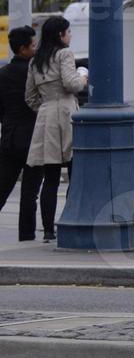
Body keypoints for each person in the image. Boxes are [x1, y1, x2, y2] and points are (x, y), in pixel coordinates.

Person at [24, 16, 88, 242]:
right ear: (60, 35)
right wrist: (83, 77)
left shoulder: (35, 61)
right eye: (68, 32)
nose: (70, 36)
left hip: (46, 117)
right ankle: (69, 220)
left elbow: (30, 97)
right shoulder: (65, 54)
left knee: (50, 178)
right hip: (67, 113)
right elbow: (71, 85)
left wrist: (45, 109)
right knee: (75, 172)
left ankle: (48, 230)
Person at [0, 25, 45, 239]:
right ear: (22, 49)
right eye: (33, 45)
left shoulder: (3, 74)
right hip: (34, 139)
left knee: (3, 187)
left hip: (10, 139)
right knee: (30, 192)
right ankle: (26, 235)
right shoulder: (36, 73)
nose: (35, 49)